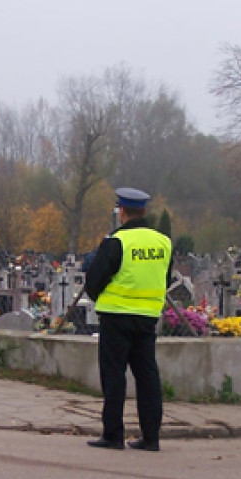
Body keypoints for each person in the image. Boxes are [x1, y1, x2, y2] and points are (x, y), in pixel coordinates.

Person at [84, 187, 172, 452]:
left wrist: (101, 295)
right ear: (143, 211)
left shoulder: (117, 241)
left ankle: (113, 434)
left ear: (121, 212)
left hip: (116, 316)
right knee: (147, 376)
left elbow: (94, 280)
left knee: (114, 375)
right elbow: (166, 279)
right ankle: (151, 437)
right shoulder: (163, 242)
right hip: (147, 318)